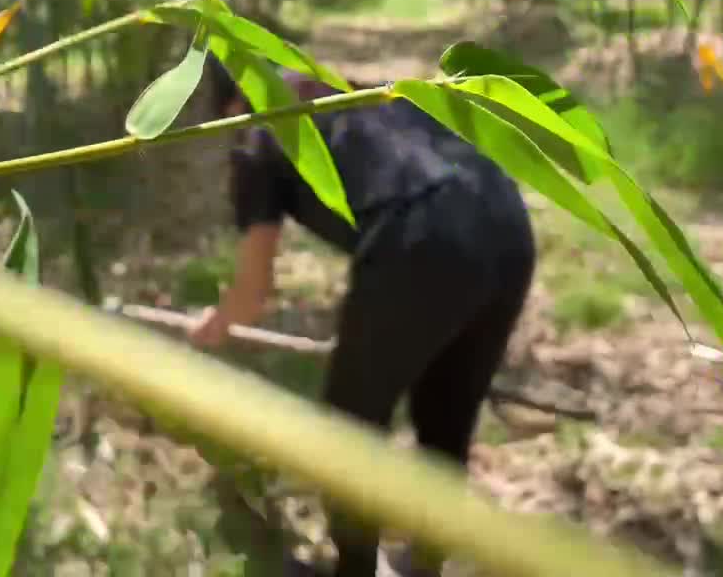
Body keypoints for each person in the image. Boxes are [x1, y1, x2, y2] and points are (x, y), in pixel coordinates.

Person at [186, 54, 538, 577]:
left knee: (347, 435)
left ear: (231, 106)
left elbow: (252, 294)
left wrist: (210, 327)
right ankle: (425, 567)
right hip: (506, 221)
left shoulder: (258, 136)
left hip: (422, 236)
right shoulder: (352, 93)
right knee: (445, 421)